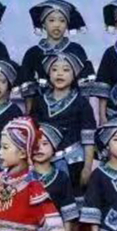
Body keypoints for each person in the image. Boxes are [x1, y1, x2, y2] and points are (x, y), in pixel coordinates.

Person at [29, 53, 97, 201]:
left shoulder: (81, 103)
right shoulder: (40, 101)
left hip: (73, 161)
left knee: (72, 201)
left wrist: (87, 167)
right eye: (54, 69)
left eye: (66, 70)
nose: (59, 74)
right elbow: (31, 134)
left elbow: (89, 138)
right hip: (43, 161)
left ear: (74, 75)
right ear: (48, 73)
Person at [19, 0, 98, 104]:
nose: (57, 25)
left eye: (62, 20)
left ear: (67, 24)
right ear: (43, 24)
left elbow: (85, 86)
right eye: (51, 20)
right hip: (41, 107)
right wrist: (30, 111)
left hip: (72, 106)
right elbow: (27, 87)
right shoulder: (33, 53)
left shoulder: (76, 50)